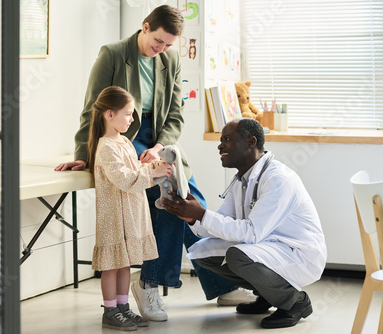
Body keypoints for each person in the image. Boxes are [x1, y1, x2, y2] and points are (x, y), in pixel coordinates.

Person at [55, 5, 254, 321]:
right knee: (172, 202)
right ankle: (151, 284)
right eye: (158, 42)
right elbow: (92, 108)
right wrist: (84, 154)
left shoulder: (171, 59)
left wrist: (161, 147)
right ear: (145, 27)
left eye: (167, 45)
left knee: (191, 202)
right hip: (123, 135)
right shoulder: (113, 54)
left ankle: (218, 281)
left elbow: (175, 115)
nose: (161, 50)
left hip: (161, 140)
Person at [162, 118, 327, 329]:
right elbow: (223, 223)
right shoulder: (241, 178)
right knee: (203, 252)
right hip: (270, 246)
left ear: (251, 142)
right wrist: (193, 217)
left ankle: (295, 302)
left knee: (237, 255)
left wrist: (203, 214)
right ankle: (268, 295)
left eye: (227, 139)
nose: (220, 145)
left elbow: (251, 233)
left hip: (300, 253)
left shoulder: (277, 179)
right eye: (220, 140)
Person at [88, 86, 173, 331]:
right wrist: (150, 172)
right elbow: (124, 178)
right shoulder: (105, 147)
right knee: (112, 265)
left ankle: (123, 307)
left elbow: (134, 170)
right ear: (109, 114)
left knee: (125, 263)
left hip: (131, 214)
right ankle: (110, 310)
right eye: (128, 114)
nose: (132, 119)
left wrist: (153, 168)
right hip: (113, 216)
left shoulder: (124, 141)